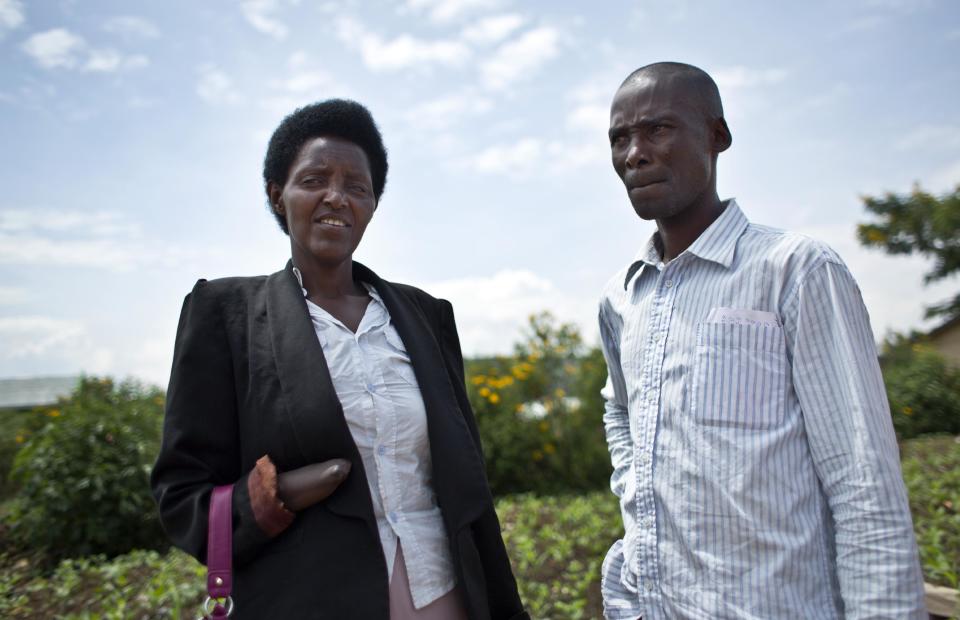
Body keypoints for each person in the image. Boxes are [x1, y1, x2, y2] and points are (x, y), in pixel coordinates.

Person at [151, 99, 528, 620]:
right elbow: (181, 493)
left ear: (373, 204)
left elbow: (468, 484)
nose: (337, 197)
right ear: (277, 195)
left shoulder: (424, 316)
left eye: (357, 186)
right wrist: (274, 495)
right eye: (315, 180)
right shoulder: (225, 315)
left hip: (445, 596)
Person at [597, 62, 926, 619]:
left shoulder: (794, 270)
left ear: (717, 137)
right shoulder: (623, 297)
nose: (635, 154)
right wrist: (635, 486)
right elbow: (619, 411)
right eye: (620, 138)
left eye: (658, 129)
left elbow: (862, 478)